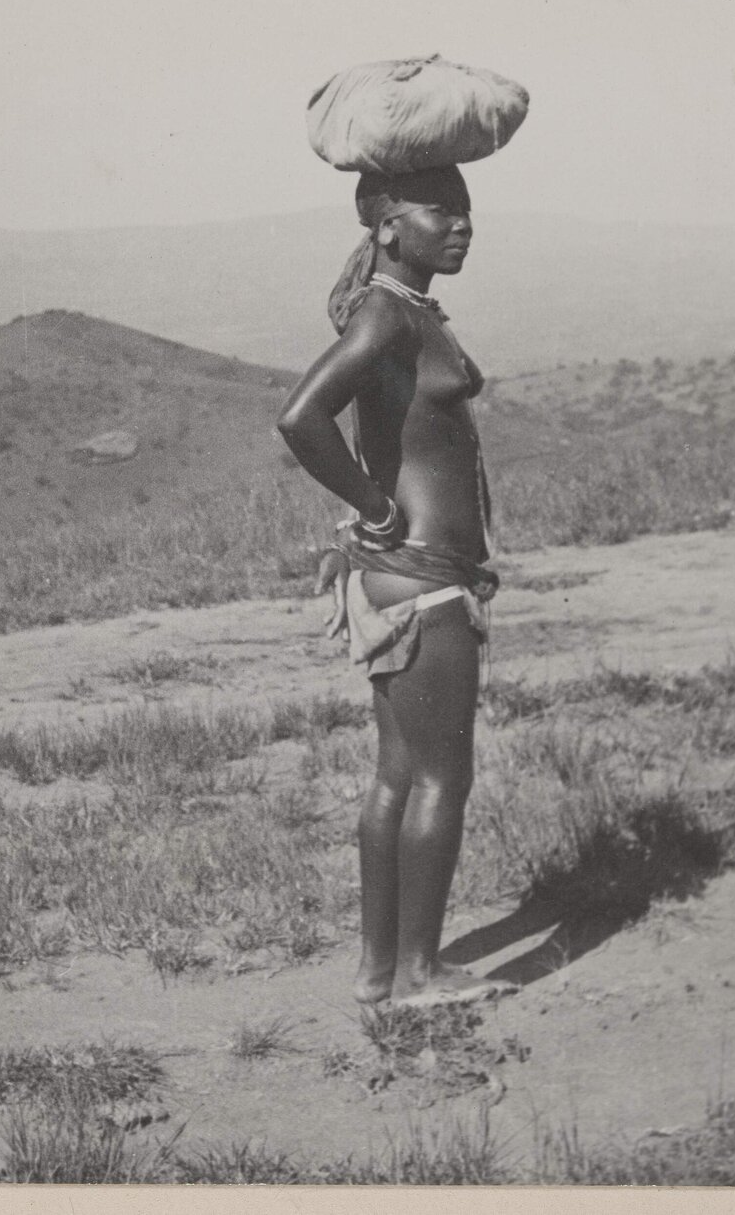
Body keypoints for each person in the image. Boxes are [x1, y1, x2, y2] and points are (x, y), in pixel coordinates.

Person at [277, 164, 516, 1008]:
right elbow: (302, 416)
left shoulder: (410, 310)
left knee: (397, 772)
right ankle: (420, 972)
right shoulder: (387, 314)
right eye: (440, 210)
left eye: (467, 210)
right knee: (442, 776)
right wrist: (374, 503)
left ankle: (379, 971)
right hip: (420, 580)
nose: (462, 225)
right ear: (386, 227)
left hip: (402, 580)